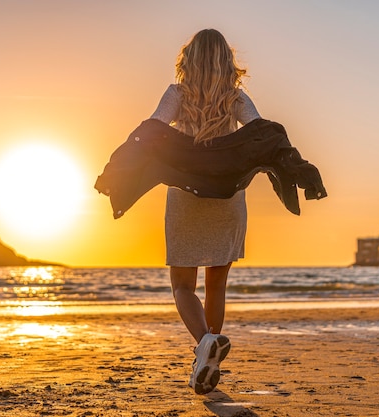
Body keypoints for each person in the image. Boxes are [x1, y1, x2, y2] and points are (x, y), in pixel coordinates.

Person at [149, 28, 261, 395]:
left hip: (185, 194)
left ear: (189, 59)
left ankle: (203, 345)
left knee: (183, 286)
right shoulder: (235, 99)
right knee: (216, 284)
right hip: (228, 198)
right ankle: (207, 353)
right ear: (226, 61)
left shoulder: (177, 95)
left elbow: (152, 132)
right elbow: (261, 134)